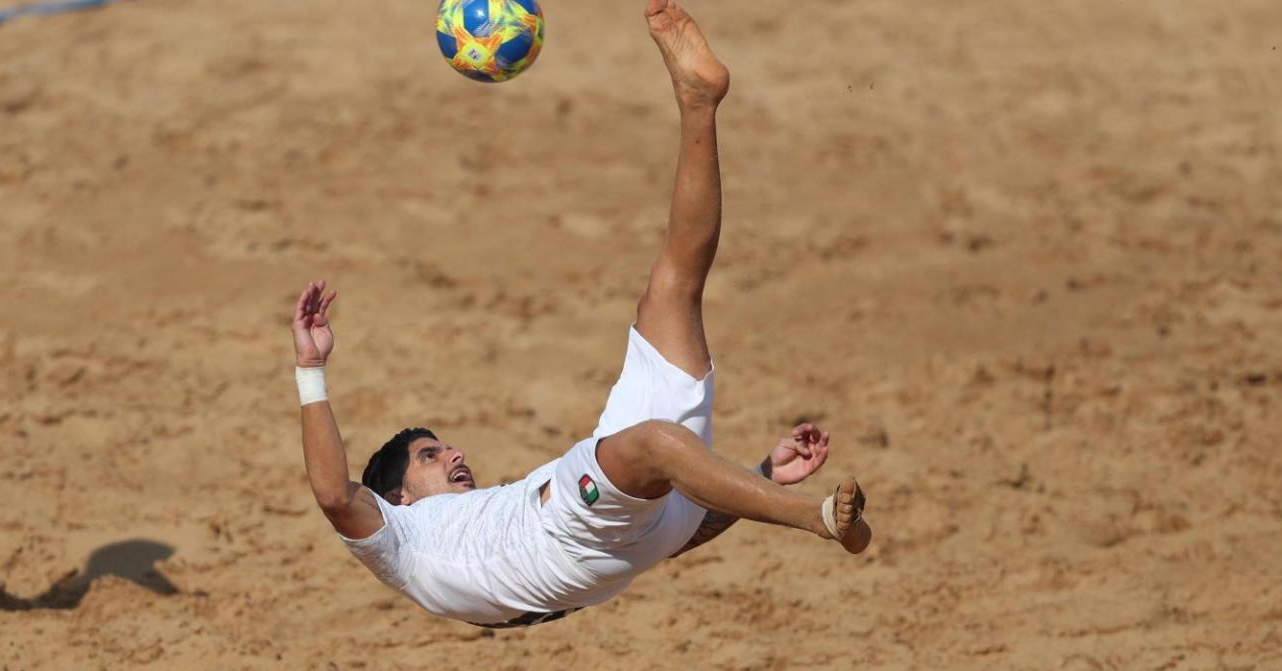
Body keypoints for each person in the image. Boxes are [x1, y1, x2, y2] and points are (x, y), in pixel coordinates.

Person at [291, 0, 870, 629]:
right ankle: (816, 519)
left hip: (620, 527)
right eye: (429, 457)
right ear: (397, 498)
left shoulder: (486, 518)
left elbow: (666, 540)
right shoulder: (399, 540)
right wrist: (310, 368)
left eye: (441, 446)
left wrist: (760, 475)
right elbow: (331, 492)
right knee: (652, 444)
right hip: (568, 523)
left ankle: (697, 101)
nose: (453, 453)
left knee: (672, 290)